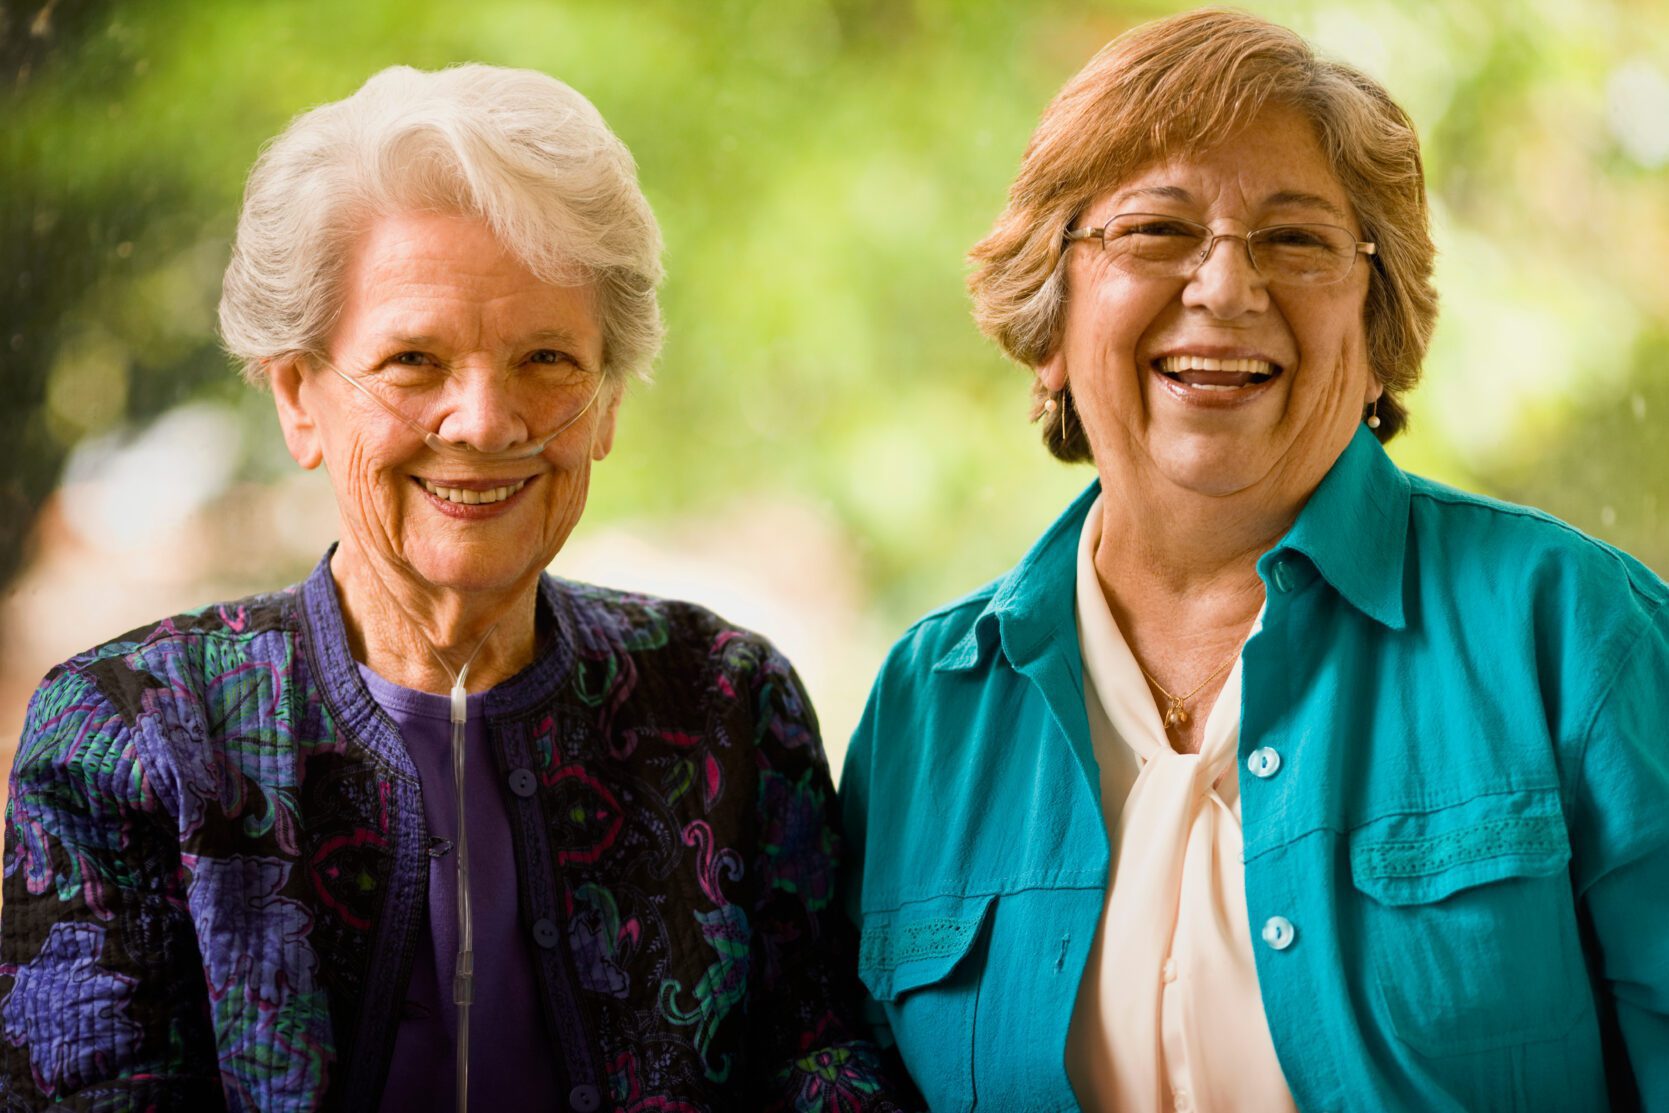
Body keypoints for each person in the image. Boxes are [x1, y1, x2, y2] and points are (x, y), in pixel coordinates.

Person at [0, 64, 908, 1112]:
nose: (484, 420)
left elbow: (818, 1062)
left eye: (547, 359)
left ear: (607, 400)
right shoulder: (134, 736)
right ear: (300, 397)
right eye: (414, 360)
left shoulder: (724, 703)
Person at [840, 10, 1669, 1112]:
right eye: (1154, 232)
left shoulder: (1570, 631)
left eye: (1293, 240)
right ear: (1049, 321)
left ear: (1376, 333)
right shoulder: (925, 708)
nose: (1226, 291)